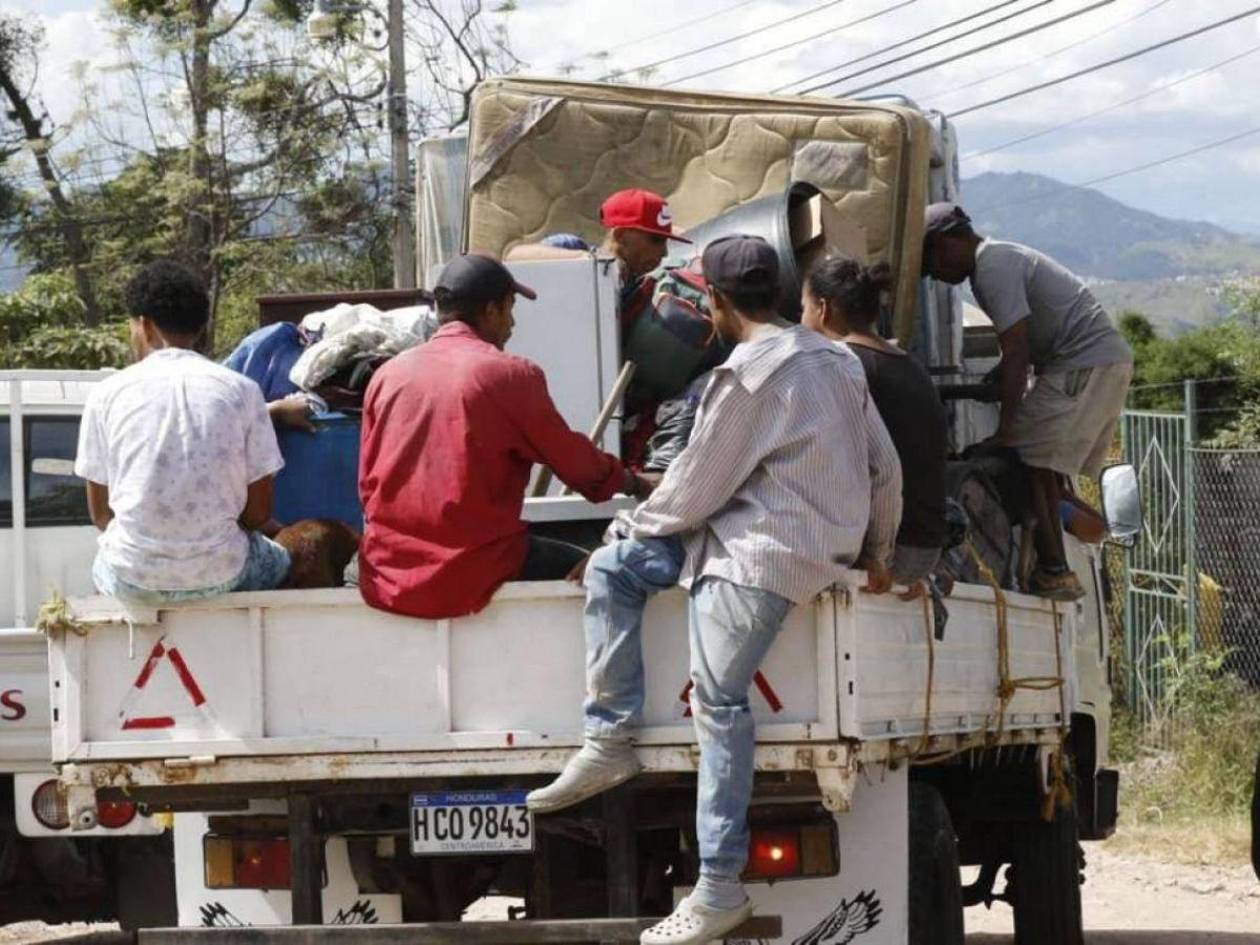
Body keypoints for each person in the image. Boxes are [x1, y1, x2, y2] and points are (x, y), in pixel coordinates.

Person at [526, 236, 902, 945]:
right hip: (768, 540)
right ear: (788, 297)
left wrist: (624, 527)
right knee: (616, 574)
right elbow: (886, 466)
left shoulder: (744, 379)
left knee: (720, 702)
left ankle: (719, 887)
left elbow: (693, 491)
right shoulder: (836, 358)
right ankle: (609, 735)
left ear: (718, 305)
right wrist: (879, 552)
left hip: (757, 557)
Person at [357, 253, 652, 620]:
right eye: (510, 309)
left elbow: (368, 486)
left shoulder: (388, 374)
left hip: (387, 570)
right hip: (475, 566)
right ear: (492, 310)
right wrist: (633, 482)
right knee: (600, 568)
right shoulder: (509, 375)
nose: (512, 324)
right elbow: (578, 467)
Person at [922, 203, 1133, 601]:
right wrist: (1000, 379)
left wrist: (1004, 431)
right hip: (1095, 362)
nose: (936, 276)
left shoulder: (991, 268)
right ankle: (1063, 538)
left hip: (1083, 363)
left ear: (950, 242)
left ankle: (1055, 571)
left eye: (932, 263)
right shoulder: (998, 260)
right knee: (1043, 469)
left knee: (1028, 458)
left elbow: (1016, 351)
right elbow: (1022, 350)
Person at [75, 260, 291, 604]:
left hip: (131, 578)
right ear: (201, 328)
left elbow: (102, 516)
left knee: (103, 561)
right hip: (225, 575)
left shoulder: (106, 394)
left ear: (145, 326)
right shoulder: (243, 391)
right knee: (282, 558)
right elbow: (257, 515)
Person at [802, 257, 947, 597]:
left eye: (802, 309)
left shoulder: (841, 363)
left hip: (885, 553)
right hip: (924, 550)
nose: (801, 321)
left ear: (823, 309)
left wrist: (876, 556)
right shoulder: (911, 366)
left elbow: (883, 471)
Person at [506, 187, 689, 289]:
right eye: (656, 240)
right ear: (622, 237)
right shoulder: (570, 247)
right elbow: (515, 255)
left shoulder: (637, 284)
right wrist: (595, 264)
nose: (664, 252)